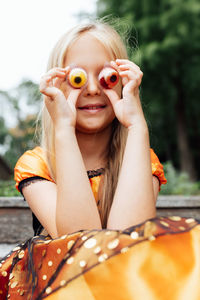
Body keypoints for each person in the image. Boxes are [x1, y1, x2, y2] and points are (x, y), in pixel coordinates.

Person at [1, 20, 200, 300]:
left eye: (108, 77)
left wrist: (136, 126)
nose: (93, 88)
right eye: (78, 78)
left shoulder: (141, 160)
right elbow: (81, 241)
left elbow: (127, 243)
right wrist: (63, 129)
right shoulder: (37, 165)